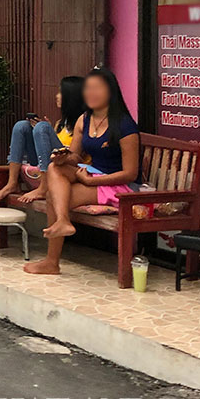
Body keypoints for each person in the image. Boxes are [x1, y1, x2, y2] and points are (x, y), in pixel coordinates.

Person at [25, 67, 140, 276]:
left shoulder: (125, 125)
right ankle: (62, 222)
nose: (91, 93)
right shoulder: (84, 119)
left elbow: (131, 173)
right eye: (88, 89)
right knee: (54, 167)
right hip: (93, 173)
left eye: (98, 88)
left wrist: (91, 182)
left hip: (116, 185)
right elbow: (76, 156)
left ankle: (52, 260)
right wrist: (62, 158)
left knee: (53, 196)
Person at [0, 76, 85, 204]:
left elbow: (75, 158)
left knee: (42, 127)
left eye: (60, 92)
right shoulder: (60, 123)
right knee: (21, 126)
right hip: (50, 159)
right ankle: (12, 183)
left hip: (67, 166)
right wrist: (46, 131)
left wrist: (44, 129)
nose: (56, 96)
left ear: (71, 97)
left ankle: (44, 187)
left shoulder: (83, 124)